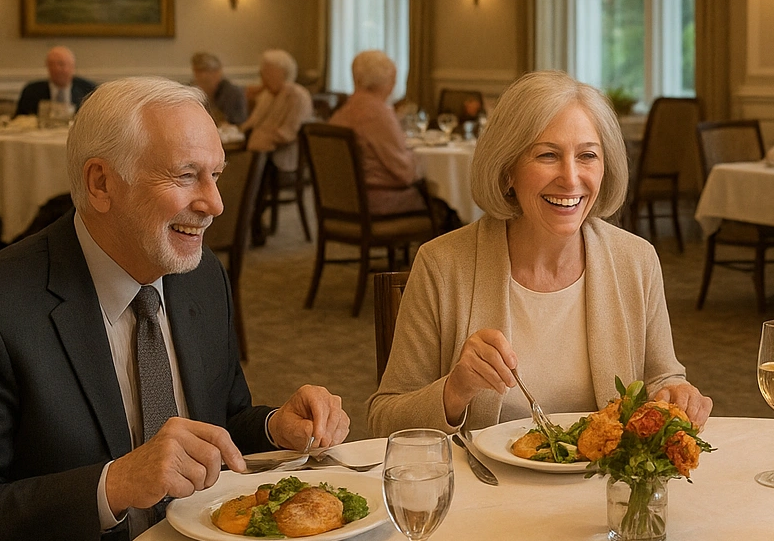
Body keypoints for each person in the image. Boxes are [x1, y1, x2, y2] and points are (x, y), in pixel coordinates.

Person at [0, 78, 350, 541]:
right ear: (100, 184)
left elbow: (220, 422)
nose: (215, 204)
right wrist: (113, 485)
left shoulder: (200, 279)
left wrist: (275, 425)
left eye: (216, 176)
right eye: (186, 176)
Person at [368, 70, 711, 436]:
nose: (571, 177)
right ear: (507, 171)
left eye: (587, 156)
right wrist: (455, 390)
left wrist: (677, 392)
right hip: (486, 488)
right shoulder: (443, 265)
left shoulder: (636, 260)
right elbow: (383, 420)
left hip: (601, 488)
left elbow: (664, 378)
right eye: (547, 155)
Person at [329, 51, 425, 215]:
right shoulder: (378, 113)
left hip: (342, 199)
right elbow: (404, 172)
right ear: (385, 81)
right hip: (376, 201)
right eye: (393, 80)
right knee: (443, 205)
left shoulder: (343, 111)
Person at [240, 48, 312, 172]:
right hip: (259, 152)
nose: (263, 76)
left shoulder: (297, 95)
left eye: (268, 71)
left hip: (282, 155)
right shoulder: (267, 95)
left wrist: (258, 138)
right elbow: (252, 123)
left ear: (283, 73)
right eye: (263, 72)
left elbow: (287, 133)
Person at [15, 45, 97, 117]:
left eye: (61, 64)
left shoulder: (88, 90)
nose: (56, 69)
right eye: (51, 64)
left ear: (72, 67)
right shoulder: (31, 91)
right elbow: (18, 120)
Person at [191, 51, 248, 126]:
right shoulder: (191, 92)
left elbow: (239, 122)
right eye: (197, 71)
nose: (202, 76)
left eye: (206, 70)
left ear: (218, 72)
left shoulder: (233, 93)